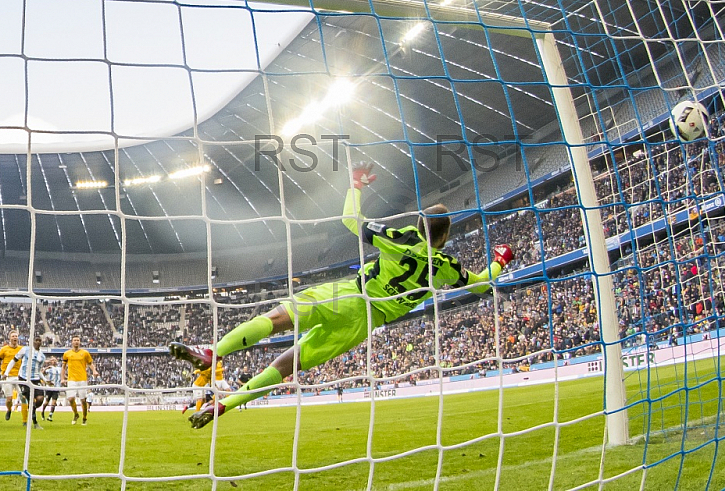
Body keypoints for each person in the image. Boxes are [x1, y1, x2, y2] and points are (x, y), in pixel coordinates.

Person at [170, 162, 514, 428]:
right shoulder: (446, 266)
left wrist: (356, 185)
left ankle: (214, 352)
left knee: (277, 319)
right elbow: (481, 284)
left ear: (420, 224)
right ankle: (224, 405)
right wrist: (499, 262)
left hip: (350, 294)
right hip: (364, 324)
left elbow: (352, 219)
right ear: (444, 236)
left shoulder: (405, 237)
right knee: (286, 364)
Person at [5, 335, 46, 429]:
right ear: (32, 341)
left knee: (40, 399)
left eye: (40, 341)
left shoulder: (42, 356)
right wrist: (6, 372)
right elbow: (14, 360)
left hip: (35, 379)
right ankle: (35, 422)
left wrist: (45, 380)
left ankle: (33, 409)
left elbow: (39, 370)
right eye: (36, 340)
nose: (38, 342)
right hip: (24, 379)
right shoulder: (25, 350)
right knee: (31, 400)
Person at [61, 335, 99, 425]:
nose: (76, 342)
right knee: (70, 399)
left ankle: (84, 418)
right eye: (75, 340)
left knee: (83, 400)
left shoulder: (85, 353)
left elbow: (90, 364)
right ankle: (76, 414)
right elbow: (63, 367)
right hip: (71, 379)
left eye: (78, 340)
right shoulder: (67, 354)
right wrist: (62, 378)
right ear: (72, 342)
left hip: (82, 379)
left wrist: (94, 370)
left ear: (80, 342)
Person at [0, 330, 23, 422]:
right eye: (13, 336)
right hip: (7, 376)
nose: (15, 337)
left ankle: (26, 418)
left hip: (19, 376)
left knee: (23, 396)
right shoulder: (4, 349)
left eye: (16, 336)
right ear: (10, 338)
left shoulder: (22, 349)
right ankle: (9, 410)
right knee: (9, 399)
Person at [41, 356, 62, 421]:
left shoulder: (59, 369)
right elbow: (41, 374)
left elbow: (62, 375)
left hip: (56, 388)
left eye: (55, 360)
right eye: (52, 360)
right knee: (46, 402)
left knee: (54, 402)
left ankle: (50, 416)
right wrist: (46, 368)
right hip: (49, 388)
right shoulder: (48, 369)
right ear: (50, 362)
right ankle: (42, 412)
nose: (54, 361)